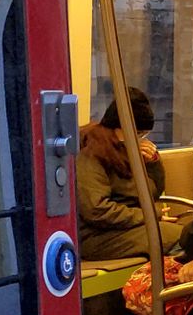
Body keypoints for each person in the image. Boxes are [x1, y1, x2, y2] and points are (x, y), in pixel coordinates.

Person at [77, 88, 181, 260]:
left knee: (186, 236)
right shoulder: (91, 153)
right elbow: (96, 210)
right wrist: (149, 216)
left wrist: (152, 163)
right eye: (137, 133)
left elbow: (151, 192)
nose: (140, 139)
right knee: (175, 238)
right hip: (96, 236)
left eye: (143, 134)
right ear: (120, 127)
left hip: (122, 227)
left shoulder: (122, 150)